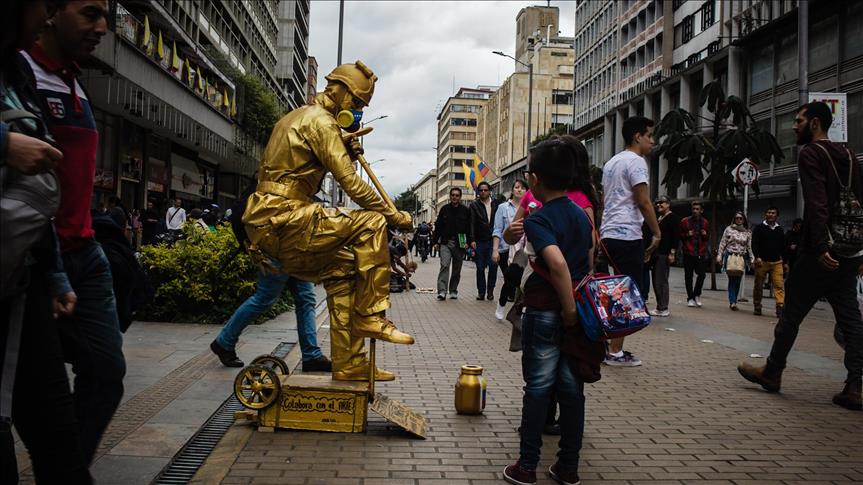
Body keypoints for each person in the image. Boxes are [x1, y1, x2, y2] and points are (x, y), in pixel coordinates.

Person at [242, 61, 414, 383]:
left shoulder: (300, 116)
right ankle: (372, 316)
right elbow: (351, 184)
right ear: (340, 91)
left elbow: (303, 165)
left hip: (272, 220)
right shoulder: (321, 122)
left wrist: (342, 148)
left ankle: (349, 363)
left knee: (346, 269)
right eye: (358, 103)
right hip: (281, 216)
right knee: (372, 223)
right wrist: (393, 215)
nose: (359, 110)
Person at [21, 0, 125, 464]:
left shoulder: (74, 80)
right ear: (48, 12)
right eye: (89, 13)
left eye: (105, 16)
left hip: (84, 253)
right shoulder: (19, 72)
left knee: (106, 371)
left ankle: (69, 468)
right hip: (34, 256)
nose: (102, 27)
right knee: (37, 395)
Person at [1, 0, 92, 482]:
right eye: (39, 6)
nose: (39, 19)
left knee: (59, 437)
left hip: (26, 270)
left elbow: (42, 197)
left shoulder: (16, 69)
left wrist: (54, 270)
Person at [738, 101, 862, 411]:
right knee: (851, 319)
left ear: (816, 123)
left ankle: (773, 371)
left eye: (799, 120)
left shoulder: (811, 153)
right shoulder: (848, 154)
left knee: (791, 313)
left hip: (818, 251)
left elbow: (818, 203)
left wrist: (820, 247)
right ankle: (855, 386)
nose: (794, 126)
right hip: (849, 251)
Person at [503, 138, 593, 485]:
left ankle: (526, 467)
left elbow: (556, 264)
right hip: (579, 314)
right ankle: (568, 467)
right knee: (572, 391)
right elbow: (587, 256)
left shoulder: (539, 219)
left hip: (546, 310)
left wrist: (568, 310)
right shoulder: (581, 215)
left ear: (536, 180)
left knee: (538, 388)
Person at [598, 116, 661, 367]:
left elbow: (606, 201)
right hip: (628, 235)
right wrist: (657, 232)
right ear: (637, 136)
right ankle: (615, 352)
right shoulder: (637, 162)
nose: (652, 141)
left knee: (608, 292)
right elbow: (643, 201)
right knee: (627, 294)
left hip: (608, 234)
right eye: (649, 136)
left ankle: (604, 344)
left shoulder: (611, 163)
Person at [210, 274, 332, 372]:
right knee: (264, 298)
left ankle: (311, 356)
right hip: (280, 250)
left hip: (298, 253)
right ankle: (224, 342)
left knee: (306, 299)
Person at [493, 179, 527, 320]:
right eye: (517, 187)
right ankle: (501, 305)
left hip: (524, 249)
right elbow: (497, 229)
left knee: (523, 281)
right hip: (506, 249)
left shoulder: (529, 206)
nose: (519, 190)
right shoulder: (503, 207)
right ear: (512, 190)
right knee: (510, 279)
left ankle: (521, 309)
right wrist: (495, 249)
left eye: (523, 188)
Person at [433, 187, 471, 300]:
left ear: (460, 197)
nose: (454, 197)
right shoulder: (444, 209)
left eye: (457, 195)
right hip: (445, 242)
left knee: (457, 268)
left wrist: (468, 241)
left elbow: (469, 228)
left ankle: (453, 290)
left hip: (460, 242)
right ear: (450, 196)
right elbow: (438, 226)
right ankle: (442, 291)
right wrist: (435, 242)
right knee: (444, 265)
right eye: (453, 195)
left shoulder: (465, 210)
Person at [717, 211, 754, 311]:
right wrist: (719, 255)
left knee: (738, 280)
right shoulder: (729, 229)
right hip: (730, 256)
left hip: (741, 257)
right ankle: (732, 301)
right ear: (734, 219)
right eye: (737, 218)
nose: (738, 220)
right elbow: (722, 242)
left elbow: (749, 247)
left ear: (744, 220)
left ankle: (734, 301)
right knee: (732, 279)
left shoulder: (747, 232)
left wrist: (752, 258)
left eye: (740, 218)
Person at [751, 207, 785, 317]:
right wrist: (757, 257)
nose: (770, 214)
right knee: (758, 285)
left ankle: (780, 306)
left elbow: (783, 247)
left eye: (773, 213)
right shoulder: (759, 228)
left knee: (779, 285)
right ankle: (757, 305)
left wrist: (785, 261)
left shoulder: (779, 229)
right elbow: (754, 243)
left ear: (777, 216)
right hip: (762, 261)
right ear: (765, 214)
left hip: (776, 262)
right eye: (768, 212)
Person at [649, 196, 680, 317]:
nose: (658, 205)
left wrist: (672, 252)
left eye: (661, 202)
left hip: (664, 253)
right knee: (656, 280)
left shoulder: (673, 218)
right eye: (657, 203)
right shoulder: (660, 218)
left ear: (668, 204)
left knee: (661, 280)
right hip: (657, 253)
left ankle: (663, 307)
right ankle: (659, 306)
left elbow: (675, 237)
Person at [469, 181, 499, 301]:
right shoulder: (474, 205)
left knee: (493, 265)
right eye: (480, 190)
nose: (483, 192)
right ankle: (481, 292)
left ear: (489, 191)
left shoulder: (496, 204)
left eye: (485, 190)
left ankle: (490, 290)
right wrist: (472, 239)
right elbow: (471, 223)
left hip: (493, 240)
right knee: (480, 267)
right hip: (480, 240)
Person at [679, 200, 710, 308]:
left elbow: (707, 238)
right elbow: (680, 236)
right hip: (688, 252)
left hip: (700, 252)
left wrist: (705, 235)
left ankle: (697, 294)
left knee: (702, 275)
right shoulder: (685, 221)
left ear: (701, 210)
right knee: (688, 276)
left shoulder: (705, 222)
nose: (695, 211)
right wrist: (687, 234)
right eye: (693, 209)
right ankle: (690, 298)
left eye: (697, 209)